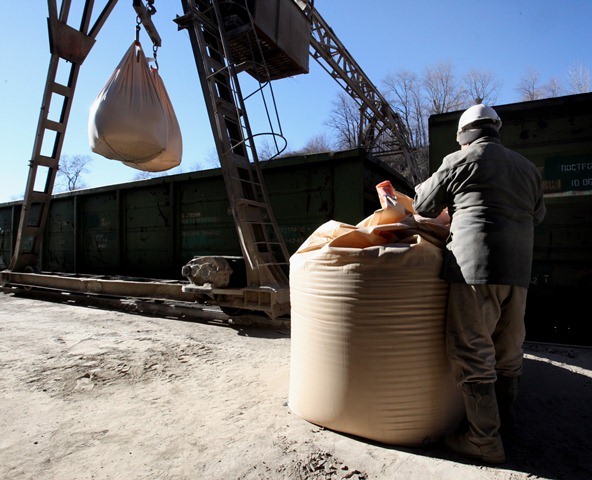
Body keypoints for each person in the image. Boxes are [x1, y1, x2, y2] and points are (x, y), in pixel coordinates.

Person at [412, 104, 546, 464]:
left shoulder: (459, 160)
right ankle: (505, 425)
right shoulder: (528, 169)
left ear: (465, 133)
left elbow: (423, 205)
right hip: (519, 272)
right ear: (495, 129)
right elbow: (538, 215)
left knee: (472, 349)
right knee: (507, 348)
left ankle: (484, 441)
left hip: (475, 269)